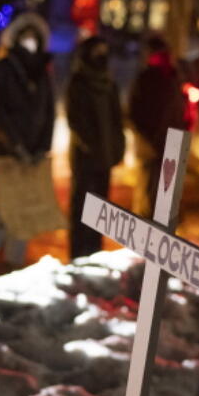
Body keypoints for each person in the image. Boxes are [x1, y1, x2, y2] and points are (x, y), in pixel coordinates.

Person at [0, 14, 56, 268]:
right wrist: (16, 146)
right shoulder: (0, 70)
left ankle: (13, 268)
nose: (30, 42)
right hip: (5, 154)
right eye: (25, 36)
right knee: (1, 215)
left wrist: (42, 148)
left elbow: (49, 112)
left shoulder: (42, 74)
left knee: (23, 216)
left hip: (32, 156)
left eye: (35, 37)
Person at [66, 35, 125, 259]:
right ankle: (78, 254)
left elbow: (117, 120)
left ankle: (94, 251)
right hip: (85, 158)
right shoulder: (79, 82)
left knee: (101, 208)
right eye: (97, 52)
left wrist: (117, 148)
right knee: (81, 205)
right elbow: (76, 120)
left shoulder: (109, 84)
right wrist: (90, 145)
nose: (101, 57)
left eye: (104, 51)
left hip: (105, 157)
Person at [128, 35, 189, 217]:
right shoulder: (146, 79)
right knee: (149, 189)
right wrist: (147, 138)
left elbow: (179, 109)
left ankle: (164, 225)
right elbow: (136, 112)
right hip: (152, 143)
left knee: (167, 193)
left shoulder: (173, 77)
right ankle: (146, 228)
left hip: (171, 141)